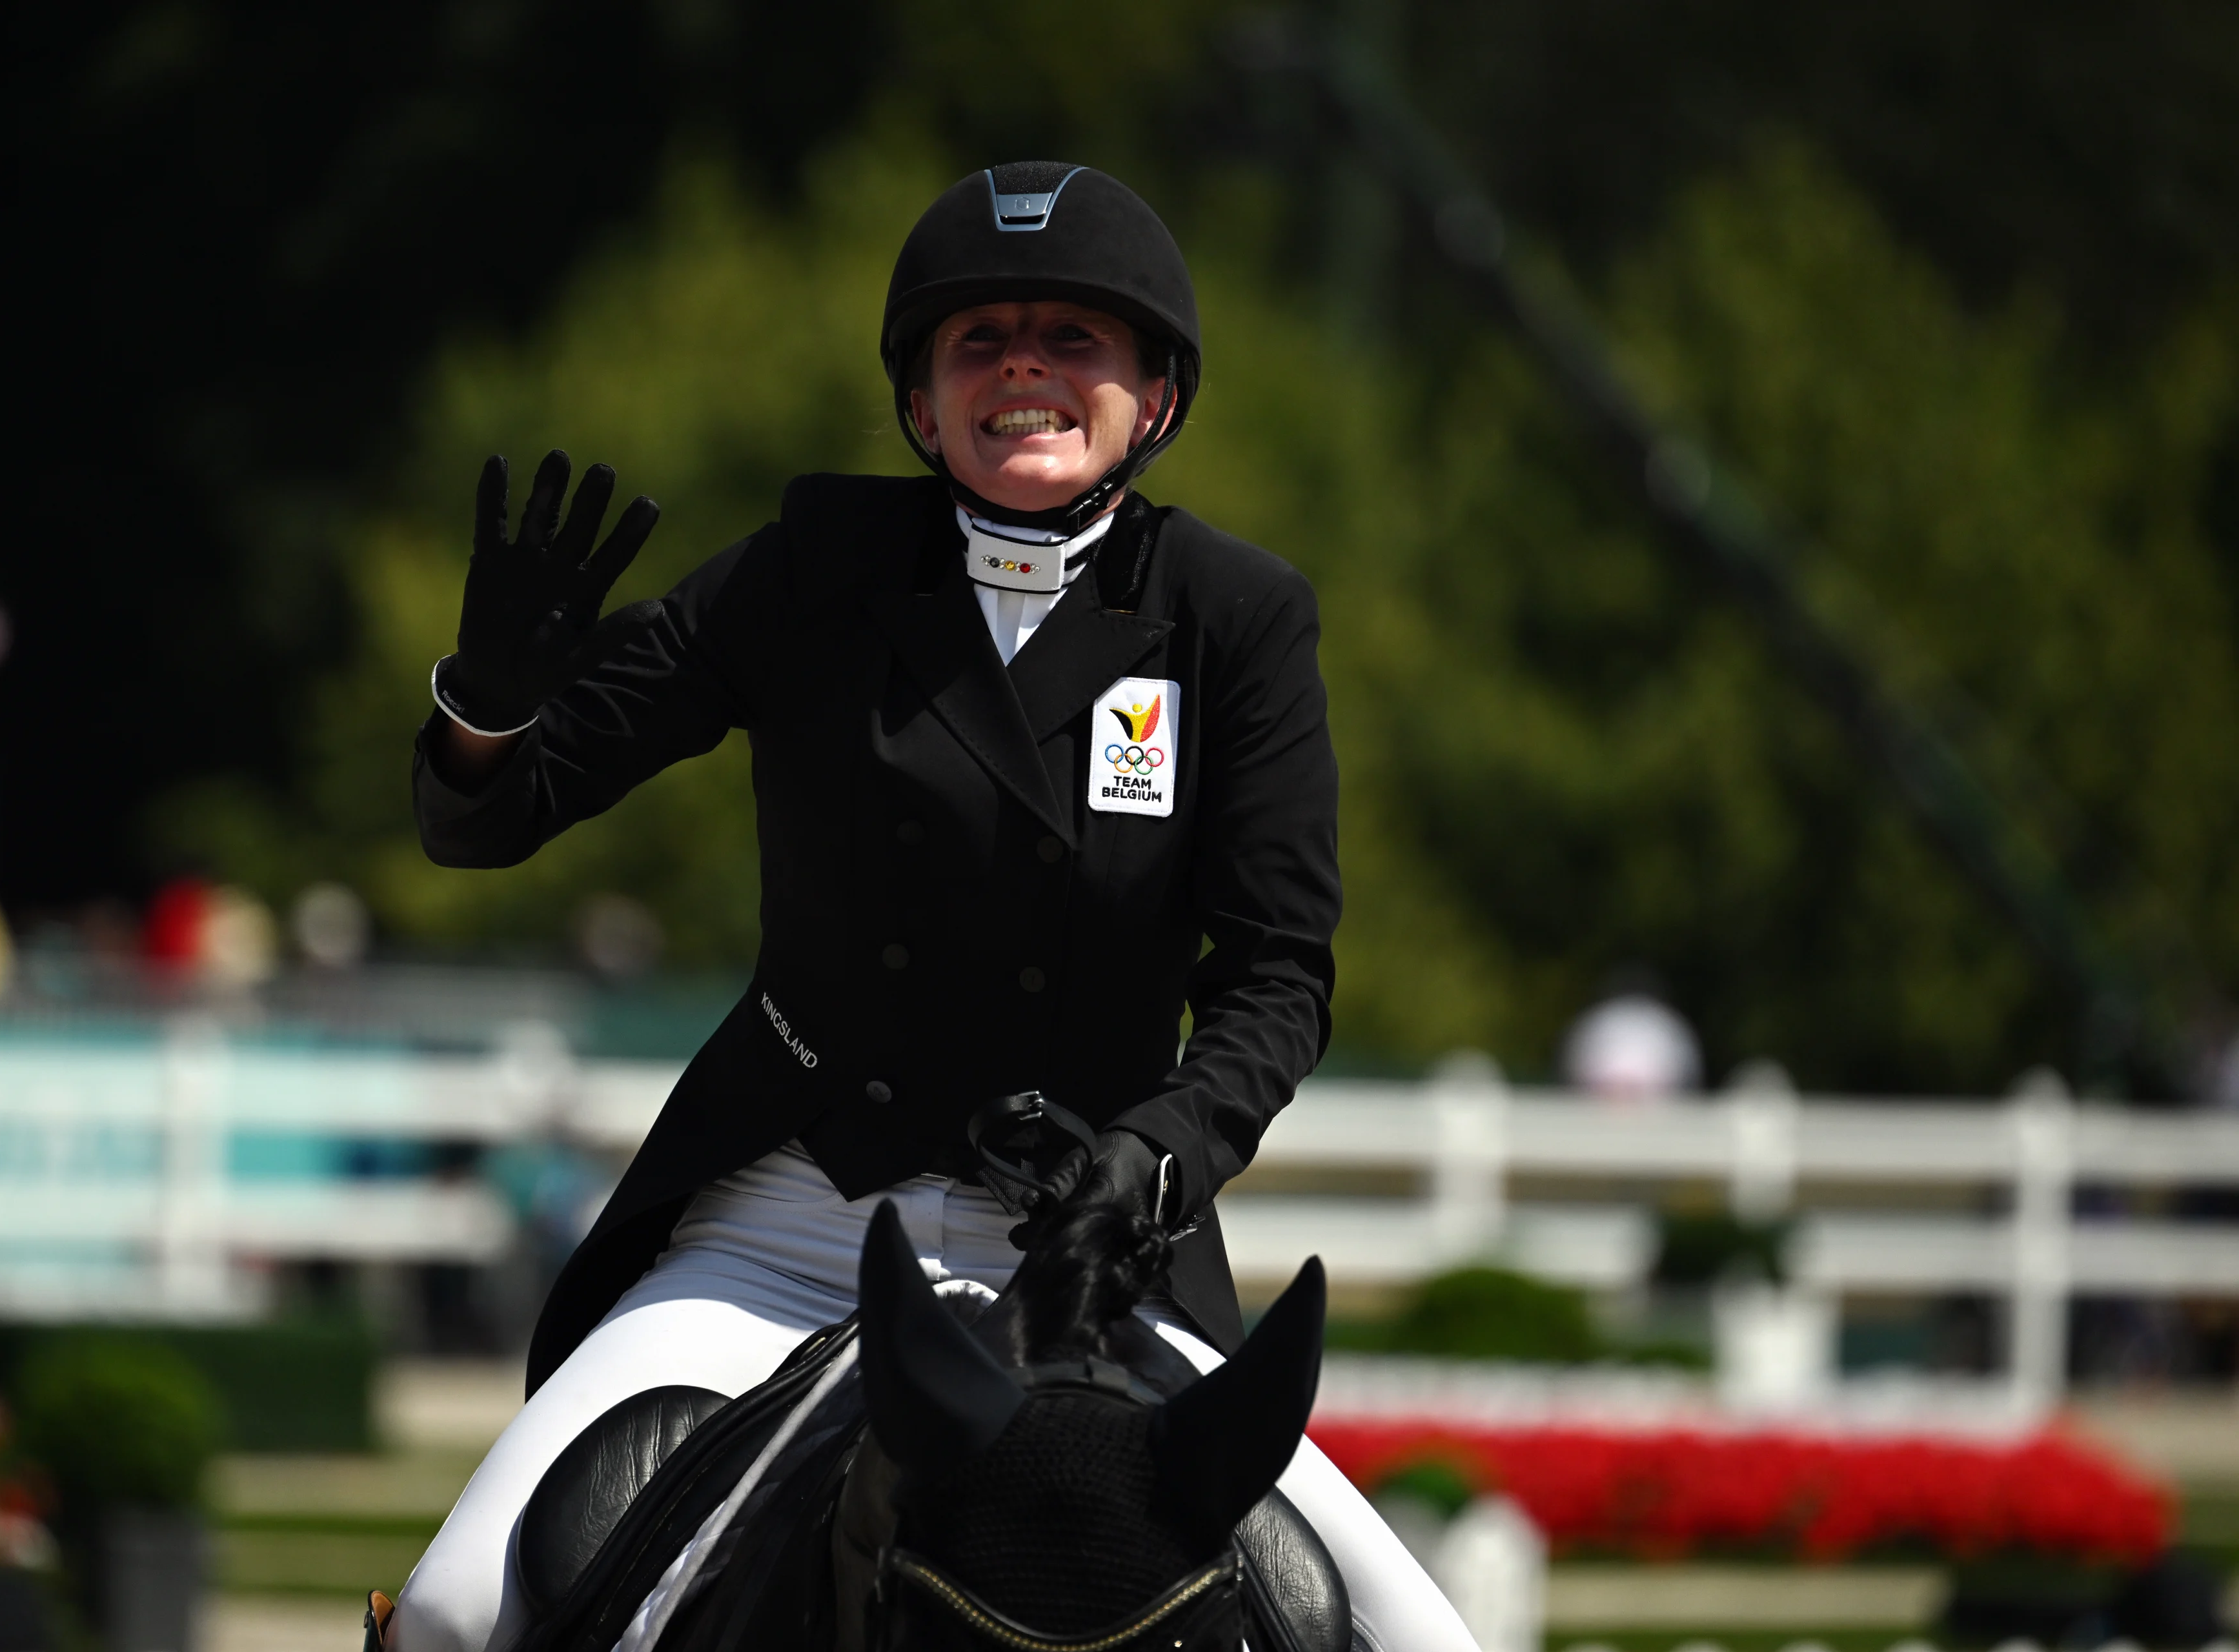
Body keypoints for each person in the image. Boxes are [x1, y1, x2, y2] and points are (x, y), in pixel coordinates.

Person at [394, 161, 1477, 1652]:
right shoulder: (810, 572)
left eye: (1074, 339)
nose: (1024, 364)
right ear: (920, 403)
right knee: (457, 1606)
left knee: (1433, 1641)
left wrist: (1153, 1162)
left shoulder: (1236, 616)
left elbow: (1279, 973)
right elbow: (489, 817)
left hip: (1091, 1252)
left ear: (1155, 396)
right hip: (788, 1228)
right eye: (980, 339)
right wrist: (489, 708)